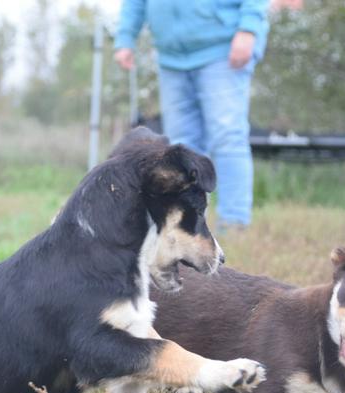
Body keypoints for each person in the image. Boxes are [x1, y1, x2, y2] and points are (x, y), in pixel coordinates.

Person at [114, 0, 269, 230]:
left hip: (222, 48)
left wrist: (248, 28)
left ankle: (234, 222)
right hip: (171, 58)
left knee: (227, 137)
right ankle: (188, 225)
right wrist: (125, 37)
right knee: (180, 148)